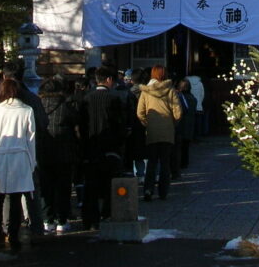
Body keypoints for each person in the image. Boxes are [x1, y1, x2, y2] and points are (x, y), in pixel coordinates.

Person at [0, 77, 36, 252]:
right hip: (20, 157)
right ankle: (14, 235)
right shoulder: (26, 110)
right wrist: (32, 162)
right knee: (16, 199)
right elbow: (31, 139)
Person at [78, 66, 126, 230]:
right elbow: (120, 124)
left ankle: (90, 219)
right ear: (109, 80)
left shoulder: (86, 98)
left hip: (90, 147)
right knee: (110, 184)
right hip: (110, 148)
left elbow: (82, 125)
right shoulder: (114, 98)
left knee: (90, 185)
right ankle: (107, 215)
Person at [37, 76, 80, 233]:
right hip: (64, 152)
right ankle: (62, 219)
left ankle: (47, 219)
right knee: (63, 188)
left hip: (43, 152)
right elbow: (77, 127)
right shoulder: (66, 106)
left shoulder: (38, 106)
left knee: (45, 188)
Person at [137, 64, 182, 201]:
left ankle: (148, 189)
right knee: (165, 162)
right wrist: (172, 123)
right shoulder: (170, 90)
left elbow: (140, 112)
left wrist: (147, 123)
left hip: (152, 131)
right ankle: (163, 191)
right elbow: (178, 112)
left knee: (151, 162)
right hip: (167, 131)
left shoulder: (146, 91)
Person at [173, 78, 197, 174]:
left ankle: (178, 164)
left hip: (180, 124)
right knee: (186, 146)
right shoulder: (193, 98)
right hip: (189, 125)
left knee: (178, 147)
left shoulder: (179, 98)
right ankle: (185, 162)